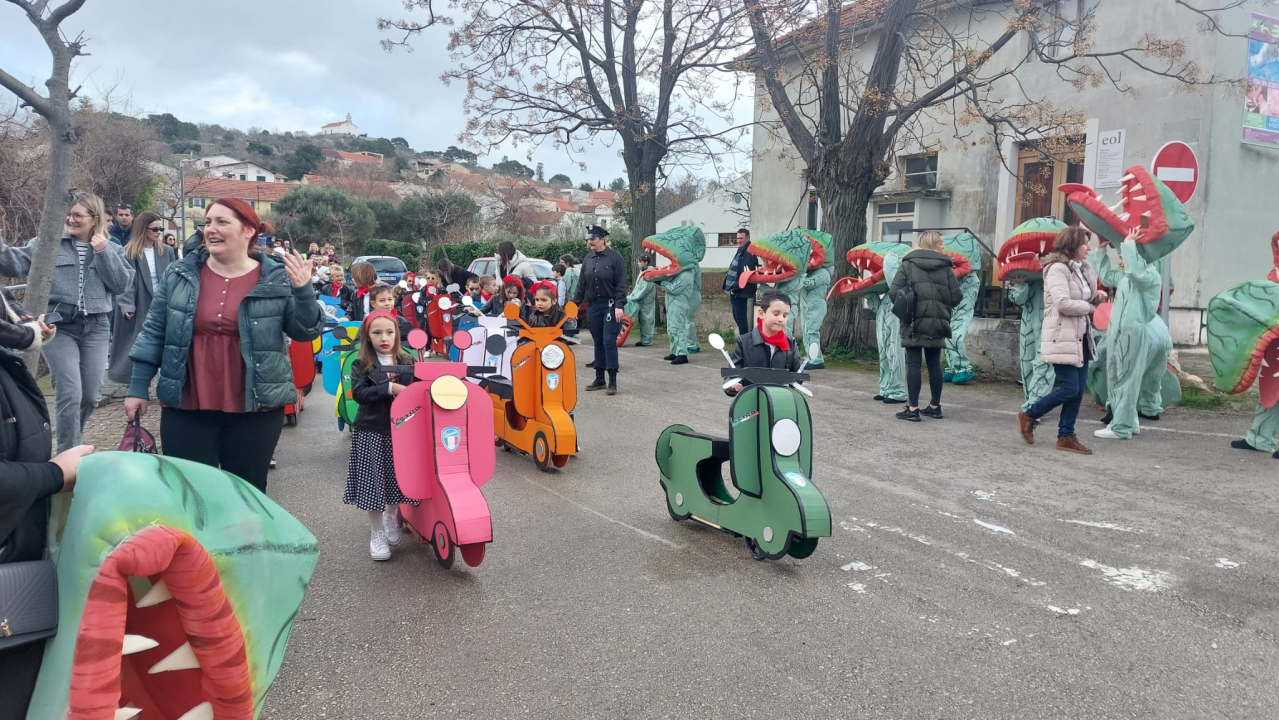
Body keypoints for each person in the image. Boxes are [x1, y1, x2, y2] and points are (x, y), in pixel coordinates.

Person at [123, 198, 322, 493]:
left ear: (248, 230)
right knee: (190, 495)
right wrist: (138, 387)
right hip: (186, 406)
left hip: (256, 410)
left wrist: (303, 291)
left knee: (247, 495)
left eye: (221, 222)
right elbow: (154, 332)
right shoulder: (179, 274)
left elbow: (305, 331)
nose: (211, 230)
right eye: (208, 223)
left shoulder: (277, 278)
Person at [0, 192, 134, 451]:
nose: (70, 220)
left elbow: (120, 285)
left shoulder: (112, 248)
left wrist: (103, 252)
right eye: (69, 214)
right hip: (58, 329)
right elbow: (13, 264)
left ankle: (73, 440)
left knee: (91, 396)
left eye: (77, 215)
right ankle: (68, 455)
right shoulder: (48, 243)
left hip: (96, 327)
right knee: (70, 393)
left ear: (94, 219)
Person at [1016, 227, 1105, 454]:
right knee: (1069, 388)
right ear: (1073, 245)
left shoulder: (1081, 269)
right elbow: (1063, 303)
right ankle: (1029, 415)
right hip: (1061, 336)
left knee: (1077, 391)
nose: (1089, 247)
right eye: (1085, 243)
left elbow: (1080, 297)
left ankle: (1066, 436)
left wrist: (1097, 297)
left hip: (1081, 336)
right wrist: (1091, 307)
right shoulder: (1057, 268)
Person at [344, 311, 418, 561]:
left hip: (401, 431)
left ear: (397, 333)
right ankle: (376, 532)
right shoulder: (360, 363)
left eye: (389, 331)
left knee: (397, 480)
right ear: (367, 336)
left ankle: (391, 517)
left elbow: (419, 388)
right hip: (371, 430)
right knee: (372, 484)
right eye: (377, 333)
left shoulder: (408, 359)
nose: (384, 337)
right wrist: (389, 387)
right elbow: (359, 393)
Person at [1090, 227, 1159, 440]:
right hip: (1119, 332)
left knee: (1125, 377)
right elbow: (1106, 275)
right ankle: (1129, 420)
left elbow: (1136, 272)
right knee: (1116, 375)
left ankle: (1121, 427)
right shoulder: (1126, 277)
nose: (1121, 260)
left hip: (1132, 333)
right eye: (1120, 257)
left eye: (1124, 256)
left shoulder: (1148, 275)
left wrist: (1129, 245)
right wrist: (1101, 250)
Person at [888, 230, 961, 422]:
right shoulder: (946, 267)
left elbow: (894, 292)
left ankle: (913, 409)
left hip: (913, 320)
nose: (943, 247)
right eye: (940, 243)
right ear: (932, 244)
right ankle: (935, 407)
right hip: (938, 321)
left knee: (913, 363)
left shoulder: (908, 264)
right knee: (934, 364)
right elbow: (956, 297)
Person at [108, 212, 176, 385]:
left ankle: (164, 383)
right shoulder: (129, 252)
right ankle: (135, 382)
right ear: (143, 229)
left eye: (160, 228)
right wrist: (127, 305)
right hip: (140, 303)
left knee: (166, 342)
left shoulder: (166, 251)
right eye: (155, 228)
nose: (159, 232)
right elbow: (126, 283)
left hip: (163, 303)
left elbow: (173, 277)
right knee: (136, 343)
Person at [572, 225, 627, 393]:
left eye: (593, 239)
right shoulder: (588, 259)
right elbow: (581, 285)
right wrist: (574, 305)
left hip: (610, 306)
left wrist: (619, 305)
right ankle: (599, 378)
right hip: (593, 306)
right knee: (598, 343)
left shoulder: (615, 258)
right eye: (588, 240)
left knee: (609, 341)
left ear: (602, 239)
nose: (590, 243)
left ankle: (612, 380)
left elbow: (621, 284)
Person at [725, 289, 802, 396]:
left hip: (778, 402)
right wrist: (733, 385)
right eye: (776, 314)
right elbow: (732, 374)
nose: (781, 319)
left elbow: (797, 377)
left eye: (785, 315)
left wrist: (797, 379)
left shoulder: (790, 343)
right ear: (761, 313)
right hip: (750, 402)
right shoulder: (744, 342)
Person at [724, 228, 759, 337]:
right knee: (738, 318)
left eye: (741, 238)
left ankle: (744, 347)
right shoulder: (742, 250)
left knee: (741, 320)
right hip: (735, 291)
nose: (738, 240)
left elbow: (746, 273)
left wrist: (734, 289)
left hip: (740, 291)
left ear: (748, 238)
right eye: (737, 238)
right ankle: (743, 345)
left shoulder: (749, 252)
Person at [624, 254, 656, 347]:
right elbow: (638, 287)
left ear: (646, 262)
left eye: (640, 261)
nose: (638, 263)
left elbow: (645, 289)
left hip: (646, 301)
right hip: (641, 300)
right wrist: (632, 295)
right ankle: (643, 339)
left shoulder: (650, 273)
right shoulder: (643, 271)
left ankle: (646, 340)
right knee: (642, 320)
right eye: (638, 261)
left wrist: (633, 297)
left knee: (647, 320)